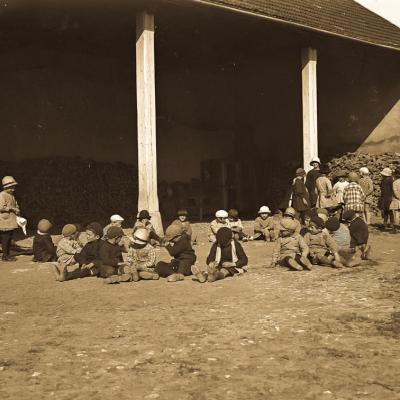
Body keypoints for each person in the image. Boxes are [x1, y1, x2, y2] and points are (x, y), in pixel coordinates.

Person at [0, 176, 20, 262]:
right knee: (5, 239)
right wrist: (12, 208)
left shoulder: (11, 195)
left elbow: (15, 204)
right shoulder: (2, 195)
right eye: (11, 187)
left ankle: (8, 254)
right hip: (5, 221)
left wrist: (17, 208)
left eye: (14, 187)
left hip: (10, 221)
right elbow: (1, 207)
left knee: (9, 238)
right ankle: (5, 256)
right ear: (6, 187)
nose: (13, 189)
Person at [390, 167, 400, 232]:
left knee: (396, 214)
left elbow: (395, 191)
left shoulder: (395, 182)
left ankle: (395, 228)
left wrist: (398, 197)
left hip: (397, 200)